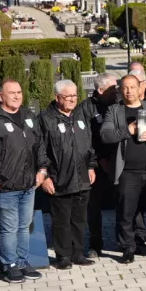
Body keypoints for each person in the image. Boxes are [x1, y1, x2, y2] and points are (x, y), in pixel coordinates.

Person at [0, 79, 48, 283]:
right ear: (0, 96)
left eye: (19, 92)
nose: (17, 96)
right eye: (12, 93)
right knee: (9, 227)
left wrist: (42, 170)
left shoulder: (28, 115)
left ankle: (23, 262)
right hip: (5, 184)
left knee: (24, 226)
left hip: (29, 184)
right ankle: (10, 265)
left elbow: (40, 145)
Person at [101, 75, 146, 263]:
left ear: (140, 88)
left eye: (132, 87)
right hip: (127, 171)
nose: (129, 91)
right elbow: (106, 135)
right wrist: (128, 130)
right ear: (120, 90)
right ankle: (127, 247)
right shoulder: (114, 111)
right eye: (125, 88)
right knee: (126, 212)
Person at [39, 80, 97, 269]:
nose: (72, 100)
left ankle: (78, 252)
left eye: (74, 96)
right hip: (59, 178)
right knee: (61, 220)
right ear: (57, 97)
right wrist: (45, 176)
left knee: (79, 219)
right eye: (68, 96)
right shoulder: (46, 119)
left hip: (81, 176)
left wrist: (90, 166)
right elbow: (39, 150)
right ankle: (63, 255)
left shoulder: (80, 116)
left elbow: (89, 144)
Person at [76, 72, 119, 257]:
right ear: (100, 90)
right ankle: (95, 244)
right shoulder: (86, 108)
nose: (116, 91)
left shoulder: (118, 105)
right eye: (112, 88)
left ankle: (127, 241)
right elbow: (84, 139)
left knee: (125, 204)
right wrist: (98, 160)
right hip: (97, 164)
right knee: (93, 206)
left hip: (118, 161)